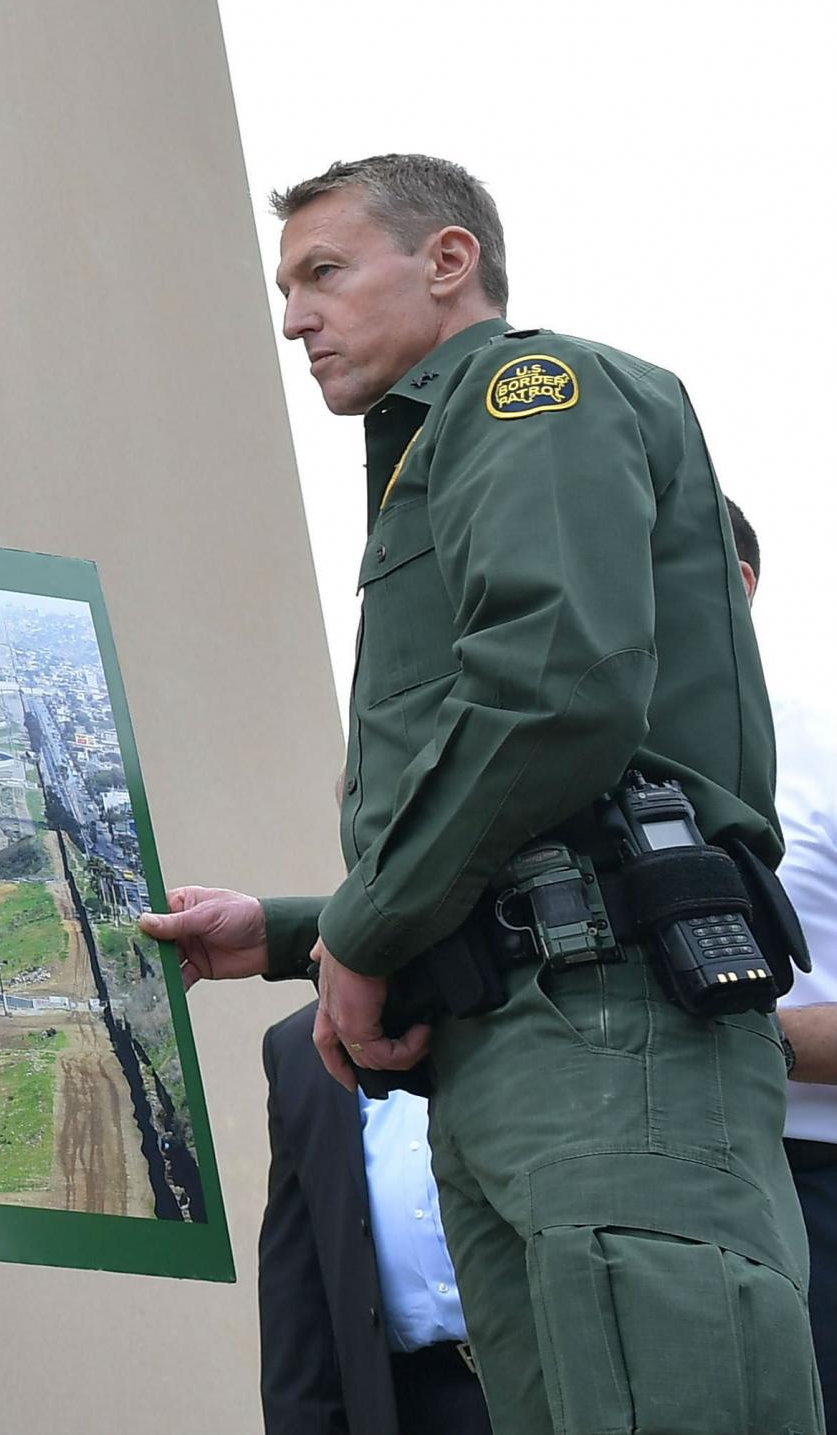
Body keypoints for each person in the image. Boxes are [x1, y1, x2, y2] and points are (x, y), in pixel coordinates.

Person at [141, 156, 816, 1434]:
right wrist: (293, 932)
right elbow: (530, 819)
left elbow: (556, 694)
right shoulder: (431, 451)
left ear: (447, 261)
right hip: (525, 1041)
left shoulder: (527, 391)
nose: (293, 318)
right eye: (285, 288)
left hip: (607, 1029)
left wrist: (362, 929)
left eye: (322, 272)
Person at [261, 1002, 490, 1434]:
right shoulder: (296, 1047)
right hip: (408, 1402)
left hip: (547, 1373)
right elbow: (296, 1279)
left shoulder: (506, 987)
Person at [729, 500, 837, 1410]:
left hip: (814, 1185)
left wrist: (746, 1044)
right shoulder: (578, 767)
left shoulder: (825, 748)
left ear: (738, 585)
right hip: (654, 1200)